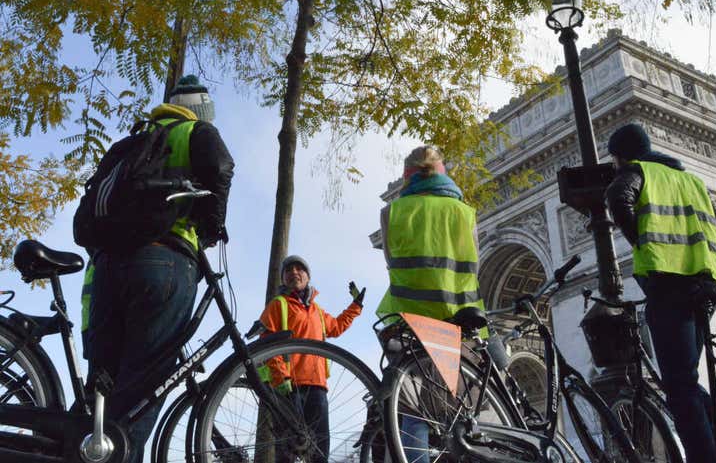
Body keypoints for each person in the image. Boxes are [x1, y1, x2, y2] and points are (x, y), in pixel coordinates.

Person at [85, 75, 234, 463]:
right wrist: (211, 228)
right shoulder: (195, 131)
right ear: (200, 110)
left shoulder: (130, 143)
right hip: (165, 259)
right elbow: (221, 166)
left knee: (102, 396)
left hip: (107, 267)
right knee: (142, 390)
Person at [605, 122, 716, 463]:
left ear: (621, 156)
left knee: (679, 388)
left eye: (613, 159)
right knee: (688, 381)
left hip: (668, 287)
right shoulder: (691, 180)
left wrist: (644, 243)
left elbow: (617, 200)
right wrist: (699, 261)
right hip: (704, 287)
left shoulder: (636, 172)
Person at [375, 145, 486, 463]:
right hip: (457, 320)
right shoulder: (464, 212)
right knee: (461, 414)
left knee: (413, 409)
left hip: (408, 321)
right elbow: (474, 265)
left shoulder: (392, 213)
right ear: (443, 172)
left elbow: (391, 261)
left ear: (407, 175)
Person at [259, 254, 365, 463]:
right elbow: (267, 342)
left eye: (299, 269)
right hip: (289, 387)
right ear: (283, 279)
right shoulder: (278, 304)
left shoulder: (317, 310)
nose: (294, 272)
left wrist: (356, 306)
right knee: (287, 451)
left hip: (317, 386)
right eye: (288, 270)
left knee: (319, 450)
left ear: (308, 277)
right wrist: (280, 377)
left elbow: (336, 327)